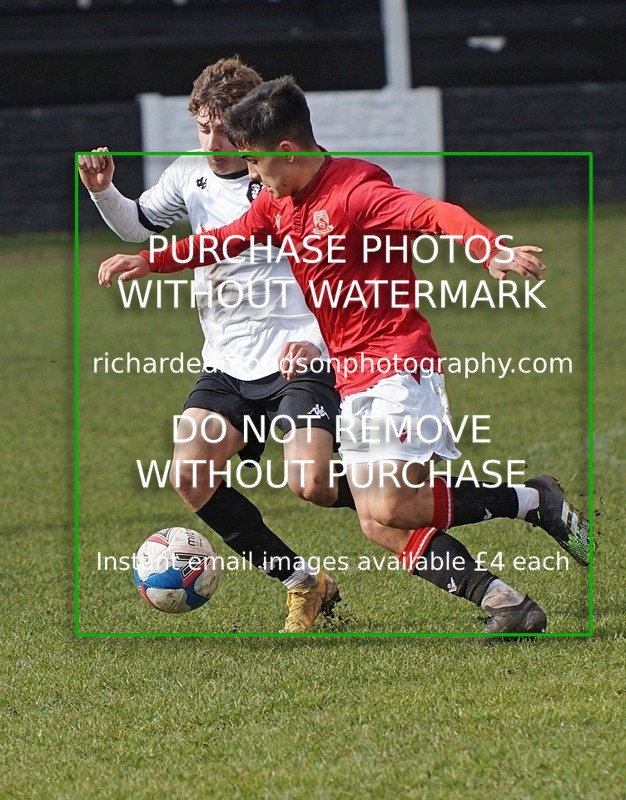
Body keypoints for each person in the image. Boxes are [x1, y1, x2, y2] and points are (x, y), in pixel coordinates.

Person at [98, 76, 591, 635]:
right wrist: (150, 263)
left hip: (398, 364)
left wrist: (488, 249)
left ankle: (530, 501)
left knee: (388, 505)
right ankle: (509, 599)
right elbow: (225, 239)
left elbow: (432, 213)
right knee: (378, 522)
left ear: (286, 152)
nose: (252, 178)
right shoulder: (281, 204)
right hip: (352, 375)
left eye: (256, 166)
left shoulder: (355, 192)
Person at [80, 58, 353, 632]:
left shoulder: (285, 177)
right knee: (190, 476)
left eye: (224, 127)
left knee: (312, 484)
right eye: (203, 126)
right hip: (227, 363)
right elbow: (138, 225)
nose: (213, 140)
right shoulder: (188, 176)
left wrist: (313, 338)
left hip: (296, 356)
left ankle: (413, 502)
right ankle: (304, 583)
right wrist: (106, 194)